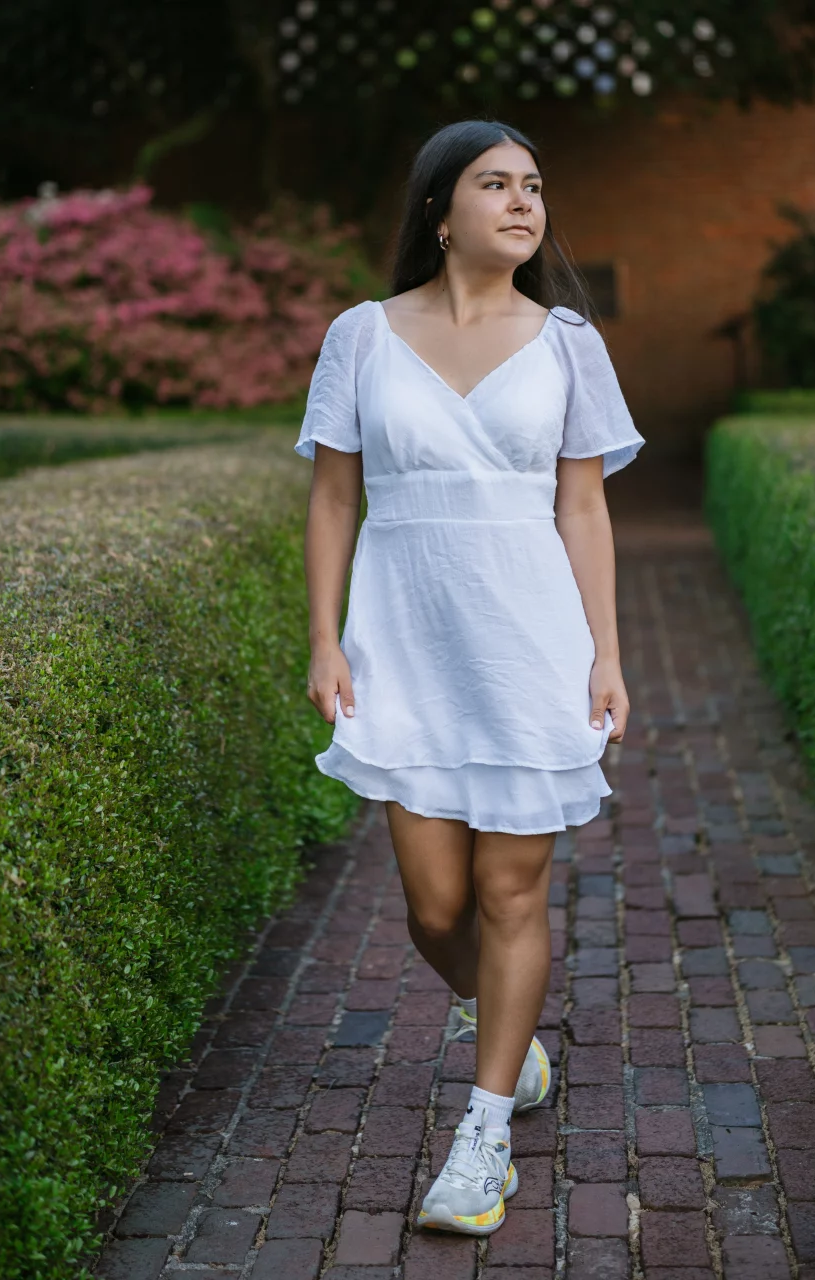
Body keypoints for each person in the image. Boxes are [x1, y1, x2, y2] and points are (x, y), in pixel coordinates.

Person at [296, 119, 643, 1237]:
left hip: (529, 643)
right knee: (435, 906)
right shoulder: (361, 335)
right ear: (439, 213)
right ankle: (504, 1018)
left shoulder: (568, 342)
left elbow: (583, 506)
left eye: (533, 184)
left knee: (510, 893)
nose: (523, 201)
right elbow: (334, 496)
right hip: (404, 645)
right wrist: (324, 638)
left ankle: (484, 1134)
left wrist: (606, 653)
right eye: (495, 183)